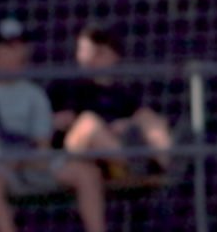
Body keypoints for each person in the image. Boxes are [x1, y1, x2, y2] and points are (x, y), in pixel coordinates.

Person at [0, 16, 108, 232]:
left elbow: (42, 145)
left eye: (22, 45)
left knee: (87, 174)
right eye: (11, 47)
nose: (21, 52)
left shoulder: (34, 94)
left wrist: (24, 159)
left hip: (28, 162)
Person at [49, 22, 175, 189]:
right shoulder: (65, 87)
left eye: (98, 52)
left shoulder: (124, 93)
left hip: (114, 155)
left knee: (149, 118)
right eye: (85, 51)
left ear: (115, 55)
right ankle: (138, 166)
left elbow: (138, 121)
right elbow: (53, 126)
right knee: (89, 123)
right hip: (74, 156)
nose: (90, 58)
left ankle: (168, 166)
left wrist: (124, 126)